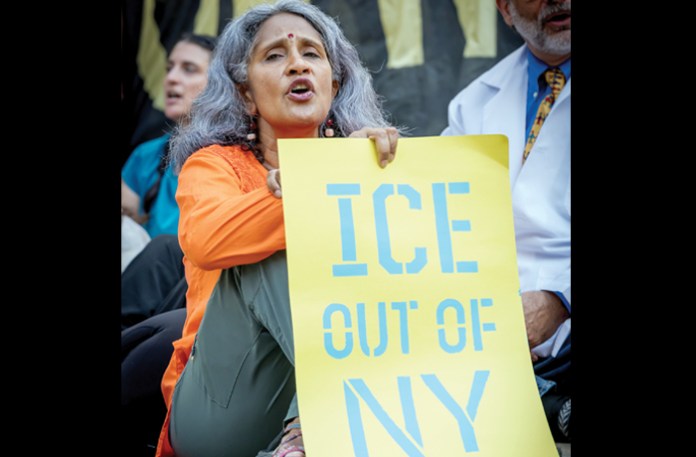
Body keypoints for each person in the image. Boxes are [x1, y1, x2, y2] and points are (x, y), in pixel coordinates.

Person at [154, 1, 399, 456]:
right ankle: (317, 422)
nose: (297, 64)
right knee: (272, 247)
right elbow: (207, 242)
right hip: (223, 409)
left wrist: (368, 174)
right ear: (245, 94)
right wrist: (315, 184)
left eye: (312, 54)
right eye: (274, 56)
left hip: (356, 391)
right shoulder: (213, 165)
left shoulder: (367, 168)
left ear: (334, 82)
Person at [441, 0, 571, 442]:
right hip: (490, 338)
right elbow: (441, 225)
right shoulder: (472, 105)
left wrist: (560, 299)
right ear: (505, 9)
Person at [121, 33, 217, 239]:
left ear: (221, 84)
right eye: (168, 68)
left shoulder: (242, 153)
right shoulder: (144, 156)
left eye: (189, 69)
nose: (171, 78)